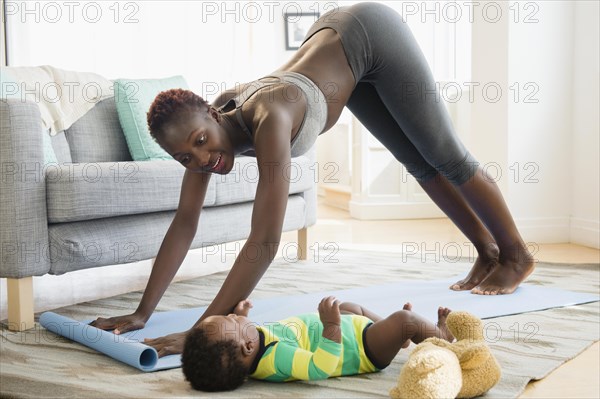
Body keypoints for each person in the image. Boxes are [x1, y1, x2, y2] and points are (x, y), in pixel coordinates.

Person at [91, 3, 534, 356]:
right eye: (186, 157)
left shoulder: (272, 116)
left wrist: (203, 330)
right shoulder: (213, 131)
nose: (204, 159)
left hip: (368, 32)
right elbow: (185, 222)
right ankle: (487, 251)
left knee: (445, 155)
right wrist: (143, 311)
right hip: (339, 56)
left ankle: (516, 254)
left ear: (211, 113)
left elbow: (264, 240)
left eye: (202, 141)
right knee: (417, 163)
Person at [181, 296, 454, 391]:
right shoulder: (277, 358)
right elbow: (320, 366)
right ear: (248, 347)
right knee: (404, 318)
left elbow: (242, 339)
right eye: (232, 321)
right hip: (360, 349)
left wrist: (242, 318)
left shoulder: (250, 350)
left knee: (350, 307)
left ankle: (398, 339)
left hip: (353, 331)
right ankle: (442, 338)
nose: (231, 315)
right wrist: (332, 325)